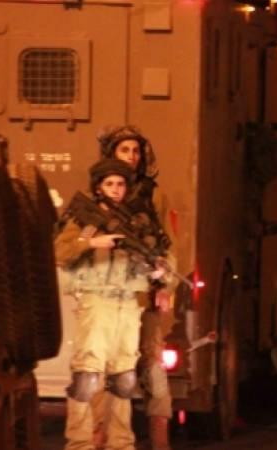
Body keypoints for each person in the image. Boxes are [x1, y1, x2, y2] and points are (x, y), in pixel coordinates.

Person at [56, 159, 171, 450]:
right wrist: (91, 243)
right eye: (109, 184)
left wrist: (160, 271)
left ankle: (121, 442)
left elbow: (160, 254)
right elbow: (60, 251)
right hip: (96, 300)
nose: (116, 189)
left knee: (124, 376)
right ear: (98, 187)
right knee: (87, 374)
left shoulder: (139, 220)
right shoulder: (86, 219)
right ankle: (79, 442)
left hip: (128, 302)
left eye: (120, 184)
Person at [94, 125, 176, 450]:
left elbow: (169, 246)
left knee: (152, 363)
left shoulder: (152, 196)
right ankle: (102, 437)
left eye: (135, 151)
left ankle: (159, 437)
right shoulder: (100, 196)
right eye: (124, 150)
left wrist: (165, 284)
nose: (131, 157)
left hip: (144, 293)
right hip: (107, 298)